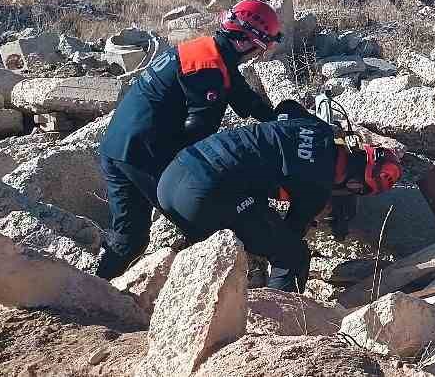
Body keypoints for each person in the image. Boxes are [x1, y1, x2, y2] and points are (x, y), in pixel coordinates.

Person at [94, 0, 283, 279]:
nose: (256, 54)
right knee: (203, 218)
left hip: (117, 147)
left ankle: (93, 291)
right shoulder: (207, 69)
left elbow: (245, 100)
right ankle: (206, 293)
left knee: (129, 238)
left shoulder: (208, 51)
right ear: (245, 40)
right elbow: (199, 134)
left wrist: (283, 119)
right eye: (259, 47)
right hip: (143, 154)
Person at [155, 100, 402, 293]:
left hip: (172, 178)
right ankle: (278, 334)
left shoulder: (318, 127)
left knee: (247, 219)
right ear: (356, 184)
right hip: (204, 195)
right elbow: (290, 233)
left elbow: (286, 107)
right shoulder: (317, 188)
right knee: (292, 255)